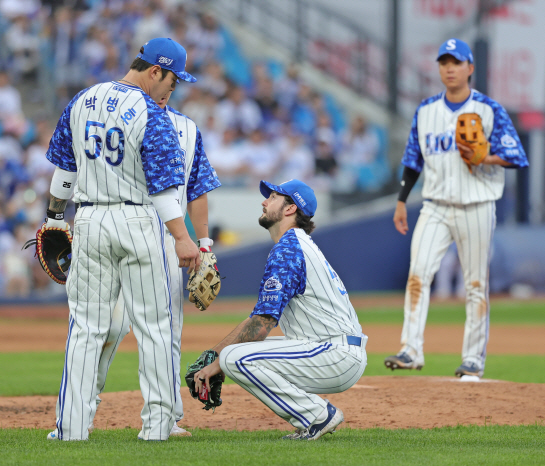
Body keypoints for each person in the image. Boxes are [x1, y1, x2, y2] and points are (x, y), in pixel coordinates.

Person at [45, 38, 201, 441]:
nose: (173, 89)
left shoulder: (82, 99)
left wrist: (53, 216)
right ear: (154, 71)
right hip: (137, 219)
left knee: (85, 329)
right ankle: (157, 428)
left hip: (90, 219)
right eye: (172, 80)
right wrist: (184, 239)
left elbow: (64, 172)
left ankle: (71, 430)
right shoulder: (152, 110)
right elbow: (165, 190)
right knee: (154, 328)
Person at [384, 38, 528, 379]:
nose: (449, 68)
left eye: (456, 62)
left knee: (476, 284)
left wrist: (486, 156)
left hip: (477, 205)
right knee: (418, 275)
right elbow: (412, 160)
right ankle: (410, 350)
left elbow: (517, 156)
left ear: (470, 68)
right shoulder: (426, 110)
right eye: (444, 62)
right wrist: (402, 201)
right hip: (434, 205)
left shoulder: (489, 109)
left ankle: (473, 359)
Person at [87, 87, 221, 438]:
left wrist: (204, 244)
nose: (166, 92)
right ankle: (81, 412)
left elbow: (198, 187)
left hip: (167, 240)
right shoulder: (125, 120)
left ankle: (166, 417)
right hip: (125, 230)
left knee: (167, 333)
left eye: (173, 86)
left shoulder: (188, 129)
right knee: (109, 327)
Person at [192, 179, 367, 440]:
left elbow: (262, 324)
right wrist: (211, 355)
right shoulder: (295, 245)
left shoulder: (288, 249)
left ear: (290, 209)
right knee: (231, 354)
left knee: (234, 358)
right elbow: (257, 318)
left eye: (273, 197)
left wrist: (217, 362)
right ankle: (313, 415)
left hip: (334, 354)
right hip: (328, 349)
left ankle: (317, 415)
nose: (264, 201)